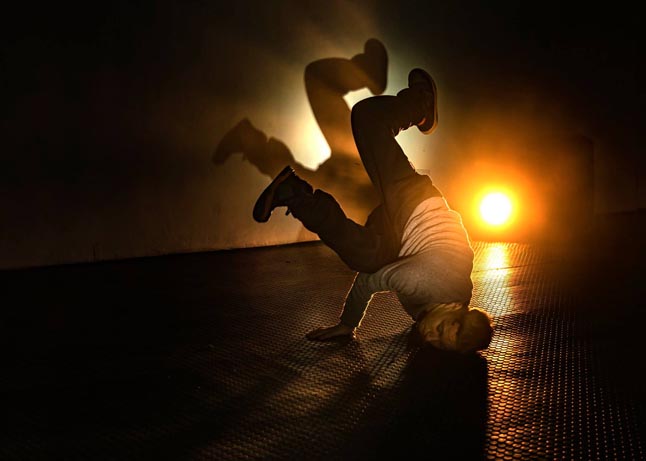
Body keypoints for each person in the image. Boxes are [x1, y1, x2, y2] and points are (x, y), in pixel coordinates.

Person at [253, 67, 493, 353]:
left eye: (439, 343)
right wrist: (347, 325)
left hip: (400, 238)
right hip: (416, 204)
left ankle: (294, 193)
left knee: (364, 256)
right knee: (367, 117)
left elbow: (450, 322)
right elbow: (369, 282)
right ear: (454, 308)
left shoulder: (451, 310)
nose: (431, 336)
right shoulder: (424, 282)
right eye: (440, 330)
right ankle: (420, 103)